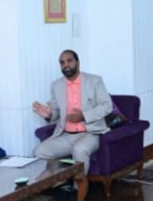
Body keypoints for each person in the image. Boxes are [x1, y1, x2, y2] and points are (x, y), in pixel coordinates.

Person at [33, 49, 112, 184]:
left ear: (78, 62)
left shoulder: (94, 81)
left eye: (69, 61)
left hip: (90, 132)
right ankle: (62, 182)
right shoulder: (56, 85)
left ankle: (77, 190)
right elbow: (57, 111)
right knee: (40, 151)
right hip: (66, 135)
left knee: (79, 150)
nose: (66, 65)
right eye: (62, 63)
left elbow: (107, 106)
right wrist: (49, 115)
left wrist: (83, 116)